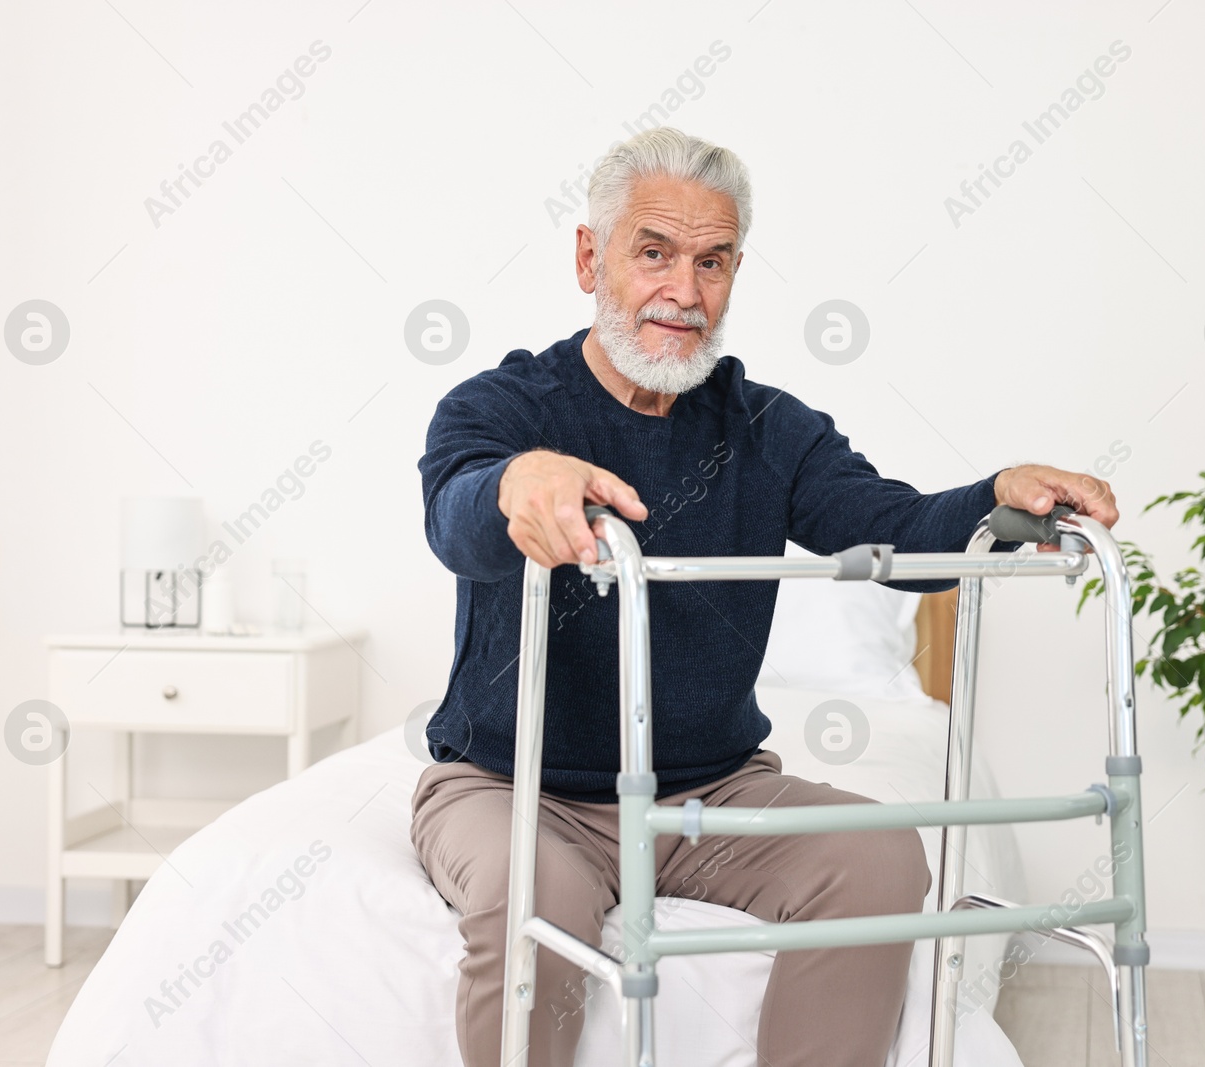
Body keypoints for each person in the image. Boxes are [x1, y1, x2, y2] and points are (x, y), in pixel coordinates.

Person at [412, 126, 1118, 1067]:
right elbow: (454, 513)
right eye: (653, 253)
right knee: (536, 893)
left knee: (880, 857)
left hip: (710, 790)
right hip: (517, 786)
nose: (684, 291)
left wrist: (998, 495)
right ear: (590, 258)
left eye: (713, 262)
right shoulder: (503, 408)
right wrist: (517, 485)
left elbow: (897, 530)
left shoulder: (766, 426)